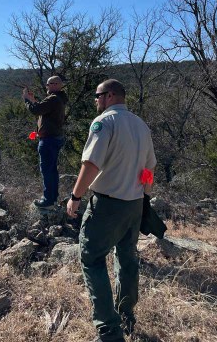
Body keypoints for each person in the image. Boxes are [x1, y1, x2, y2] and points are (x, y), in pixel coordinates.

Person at [66, 79, 156, 342]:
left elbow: (91, 164)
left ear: (110, 95)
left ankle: (109, 330)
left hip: (107, 205)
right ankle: (126, 315)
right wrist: (145, 199)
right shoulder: (141, 125)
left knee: (92, 259)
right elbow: (149, 169)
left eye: (98, 95)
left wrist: (75, 196)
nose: (95, 100)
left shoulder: (104, 123)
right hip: (134, 204)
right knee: (127, 259)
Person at [23, 75, 68, 208]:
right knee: (52, 169)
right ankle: (53, 197)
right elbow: (43, 109)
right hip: (54, 138)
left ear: (55, 85)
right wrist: (33, 100)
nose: (46, 87)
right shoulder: (59, 98)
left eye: (48, 85)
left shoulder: (53, 98)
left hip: (48, 140)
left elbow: (36, 110)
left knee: (47, 170)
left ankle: (48, 200)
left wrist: (27, 100)